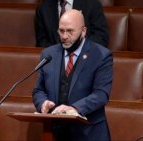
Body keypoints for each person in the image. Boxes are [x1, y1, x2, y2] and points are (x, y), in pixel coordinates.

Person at [32, 9, 113, 141]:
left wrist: (74, 109)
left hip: (89, 133)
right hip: (56, 133)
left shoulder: (100, 55)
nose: (64, 36)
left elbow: (101, 94)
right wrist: (43, 103)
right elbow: (38, 90)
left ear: (83, 31)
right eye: (61, 31)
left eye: (70, 31)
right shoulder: (48, 54)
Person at [35, 0, 109, 48]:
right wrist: (59, 53)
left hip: (85, 58)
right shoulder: (43, 8)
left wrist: (77, 50)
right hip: (55, 61)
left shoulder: (92, 4)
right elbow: (42, 41)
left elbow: (101, 37)